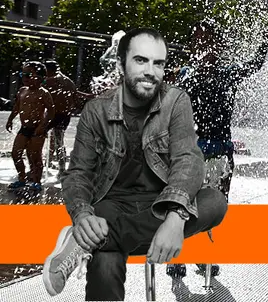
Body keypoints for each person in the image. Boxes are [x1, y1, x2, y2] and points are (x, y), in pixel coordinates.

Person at [41, 28, 228, 301]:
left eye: (158, 63)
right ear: (120, 64)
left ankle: (84, 243)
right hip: (113, 204)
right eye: (141, 60)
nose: (150, 71)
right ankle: (94, 238)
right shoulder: (96, 110)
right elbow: (78, 173)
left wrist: (176, 217)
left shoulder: (176, 102)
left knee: (215, 201)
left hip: (161, 207)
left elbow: (188, 159)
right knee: (103, 236)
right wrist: (82, 215)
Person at [168, 19, 268, 278]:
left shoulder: (228, 73)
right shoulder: (185, 75)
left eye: (208, 39)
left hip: (221, 151)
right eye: (198, 40)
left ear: (217, 44)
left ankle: (204, 255)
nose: (203, 45)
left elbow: (255, 65)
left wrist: (266, 43)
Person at [5, 61, 55, 191]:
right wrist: (10, 119)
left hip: (37, 130)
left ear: (39, 77)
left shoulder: (43, 93)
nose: (24, 78)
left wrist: (43, 126)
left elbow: (51, 111)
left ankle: (37, 181)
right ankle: (22, 178)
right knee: (16, 153)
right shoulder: (22, 90)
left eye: (28, 75)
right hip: (24, 128)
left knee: (35, 156)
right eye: (22, 74)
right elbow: (17, 107)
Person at [44, 60, 93, 172]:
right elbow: (75, 100)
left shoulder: (49, 80)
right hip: (65, 115)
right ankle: (58, 166)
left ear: (49, 70)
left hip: (54, 114)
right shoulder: (68, 81)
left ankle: (38, 166)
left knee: (41, 137)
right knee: (58, 140)